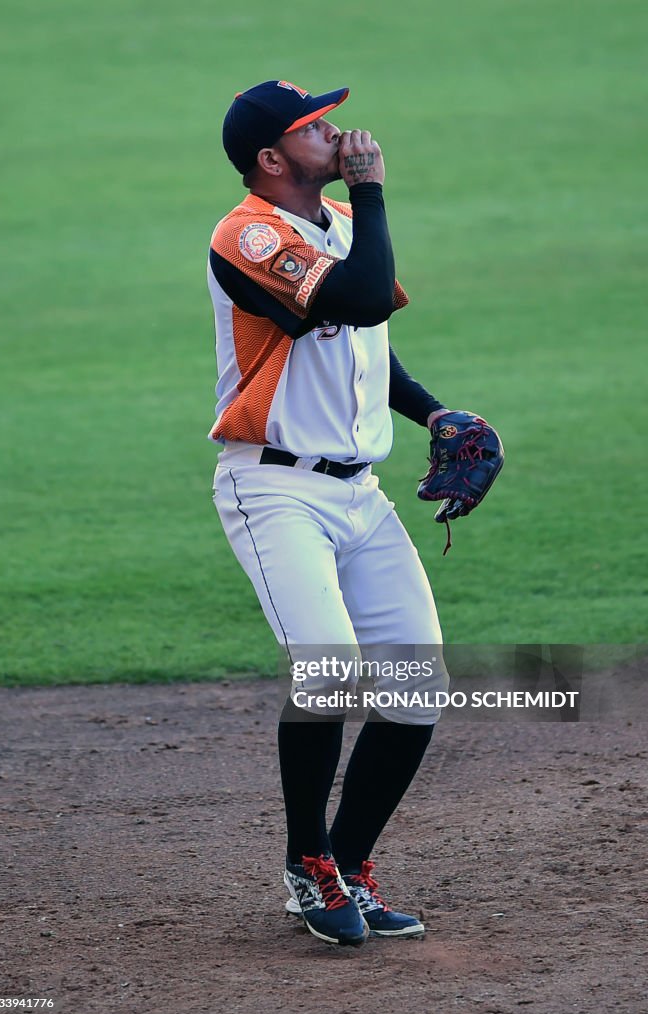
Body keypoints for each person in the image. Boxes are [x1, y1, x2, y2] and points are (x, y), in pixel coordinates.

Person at [207, 80, 451, 947]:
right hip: (274, 489)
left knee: (417, 688)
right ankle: (307, 867)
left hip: (360, 496)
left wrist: (437, 416)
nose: (335, 129)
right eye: (312, 124)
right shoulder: (247, 234)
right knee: (330, 673)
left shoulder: (340, 232)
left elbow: (371, 339)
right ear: (273, 159)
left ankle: (347, 865)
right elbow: (355, 301)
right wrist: (374, 189)